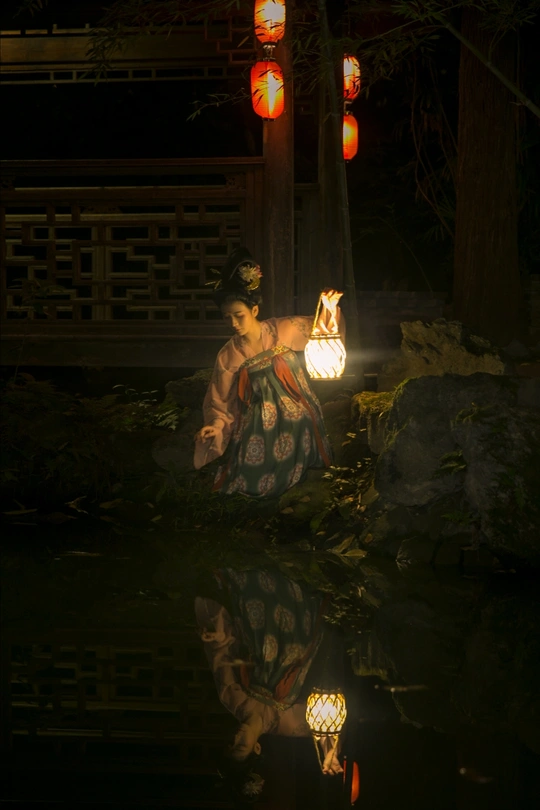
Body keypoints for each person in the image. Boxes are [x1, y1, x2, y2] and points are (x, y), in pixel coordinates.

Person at [194, 246, 344, 498]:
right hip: (258, 418)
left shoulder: (282, 329)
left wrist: (328, 306)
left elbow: (320, 328)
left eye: (239, 315)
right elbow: (221, 400)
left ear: (254, 311)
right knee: (254, 460)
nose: (233, 323)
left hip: (298, 406)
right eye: (227, 317)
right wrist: (216, 426)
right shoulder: (229, 354)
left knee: (298, 420)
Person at [195, 567, 344, 788]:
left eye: (229, 743)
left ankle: (266, 585)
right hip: (296, 646)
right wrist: (330, 751)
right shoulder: (282, 724)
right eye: (240, 745)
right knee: (291, 655)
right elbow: (324, 726)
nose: (235, 738)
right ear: (256, 748)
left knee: (265, 648)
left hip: (260, 637)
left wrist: (216, 635)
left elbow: (221, 656)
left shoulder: (232, 699)